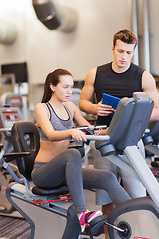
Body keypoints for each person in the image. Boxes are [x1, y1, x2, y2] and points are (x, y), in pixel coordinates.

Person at [79, 29, 159, 238]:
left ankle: (140, 233)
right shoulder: (95, 73)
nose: (123, 56)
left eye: (128, 52)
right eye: (120, 51)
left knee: (136, 195)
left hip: (130, 141)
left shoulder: (143, 76)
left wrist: (132, 114)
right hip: (103, 140)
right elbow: (82, 102)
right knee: (105, 197)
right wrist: (94, 109)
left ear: (133, 52)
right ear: (113, 49)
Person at [31, 68, 131, 234]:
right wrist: (71, 131)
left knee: (108, 177)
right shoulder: (42, 108)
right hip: (44, 172)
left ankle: (136, 213)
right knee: (72, 153)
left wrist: (118, 126)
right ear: (53, 86)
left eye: (71, 86)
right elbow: (51, 134)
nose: (70, 91)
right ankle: (82, 213)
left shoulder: (70, 107)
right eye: (65, 87)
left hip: (66, 171)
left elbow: (91, 130)